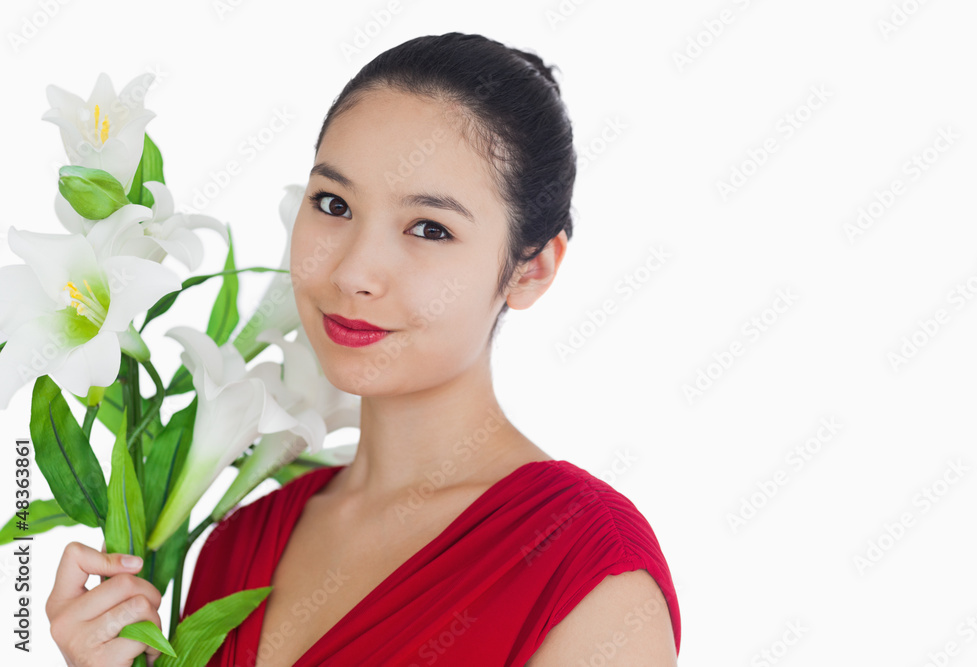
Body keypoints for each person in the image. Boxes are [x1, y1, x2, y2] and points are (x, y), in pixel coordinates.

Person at [45, 32, 680, 666]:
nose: (353, 273)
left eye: (430, 228)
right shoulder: (237, 544)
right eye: (334, 204)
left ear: (530, 270)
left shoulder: (589, 567)